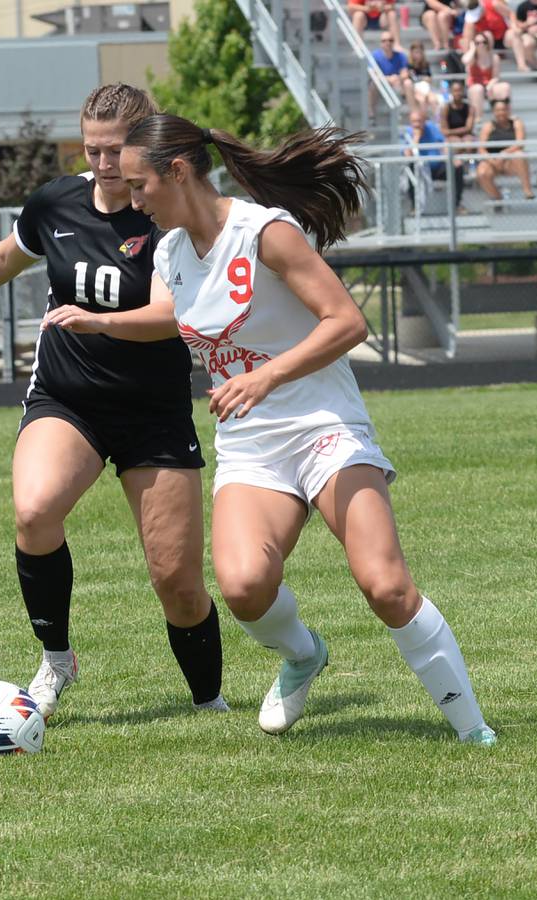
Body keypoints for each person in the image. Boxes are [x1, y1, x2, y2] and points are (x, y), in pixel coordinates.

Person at [116, 114, 496, 746]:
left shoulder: (264, 231)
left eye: (138, 186)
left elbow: (346, 322)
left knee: (386, 585)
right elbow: (168, 316)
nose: (133, 201)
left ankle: (473, 733)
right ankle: (304, 655)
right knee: (242, 586)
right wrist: (101, 325)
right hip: (251, 444)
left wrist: (266, 377)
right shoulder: (170, 252)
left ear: (178, 172)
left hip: (324, 425)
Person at [0, 84, 228, 720]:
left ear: (143, 143)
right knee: (34, 511)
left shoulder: (167, 216)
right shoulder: (58, 202)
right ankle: (57, 659)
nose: (99, 163)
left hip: (153, 413)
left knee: (176, 582)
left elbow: (170, 315)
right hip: (68, 400)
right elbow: (6, 255)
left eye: (113, 150)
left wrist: (99, 323)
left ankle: (209, 701)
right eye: (90, 149)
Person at [404, 109, 466, 211]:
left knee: (457, 168)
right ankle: (415, 207)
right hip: (420, 169)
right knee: (411, 169)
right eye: (414, 121)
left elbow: (443, 144)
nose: (416, 124)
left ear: (424, 121)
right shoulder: (407, 133)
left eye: (419, 121)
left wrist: (452, 159)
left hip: (437, 167)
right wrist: (416, 138)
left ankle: (457, 204)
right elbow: (407, 155)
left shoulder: (431, 128)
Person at [476, 98, 535, 200]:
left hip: (510, 161)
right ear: (494, 111)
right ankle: (497, 197)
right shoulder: (488, 126)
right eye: (498, 110)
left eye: (503, 109)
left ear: (508, 110)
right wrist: (492, 160)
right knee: (482, 172)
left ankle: (527, 191)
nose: (501, 113)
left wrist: (504, 154)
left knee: (519, 154)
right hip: (492, 161)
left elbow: (520, 143)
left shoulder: (516, 123)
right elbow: (481, 148)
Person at [462, 34, 511, 122]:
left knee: (505, 87)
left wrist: (490, 86)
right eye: (477, 43)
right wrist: (473, 49)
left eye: (483, 42)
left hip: (489, 84)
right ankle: (478, 118)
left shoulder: (494, 57)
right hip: (474, 86)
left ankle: (505, 116)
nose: (481, 45)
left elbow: (496, 77)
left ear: (487, 43)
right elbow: (465, 61)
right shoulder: (472, 57)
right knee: (478, 89)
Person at [369, 32, 414, 120]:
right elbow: (373, 74)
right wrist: (388, 79)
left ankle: (413, 113)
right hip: (381, 84)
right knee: (373, 84)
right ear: (380, 43)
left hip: (397, 83)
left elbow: (405, 73)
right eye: (384, 41)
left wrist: (397, 78)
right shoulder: (375, 56)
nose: (387, 43)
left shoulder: (400, 56)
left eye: (390, 40)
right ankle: (371, 114)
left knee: (408, 83)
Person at [407, 41, 441, 116]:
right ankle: (423, 120)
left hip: (426, 88)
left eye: (420, 52)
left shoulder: (425, 64)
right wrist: (423, 78)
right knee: (422, 100)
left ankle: (438, 120)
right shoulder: (409, 65)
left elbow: (429, 79)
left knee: (433, 100)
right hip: (415, 90)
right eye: (416, 52)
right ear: (412, 53)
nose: (418, 55)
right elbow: (411, 80)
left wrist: (424, 79)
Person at [440, 79, 477, 147]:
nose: (457, 93)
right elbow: (444, 131)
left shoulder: (470, 108)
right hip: (451, 137)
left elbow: (469, 128)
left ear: (463, 91)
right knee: (455, 143)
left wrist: (450, 132)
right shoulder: (445, 108)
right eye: (455, 91)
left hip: (466, 136)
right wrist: (462, 131)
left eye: (459, 90)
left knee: (468, 142)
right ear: (451, 92)